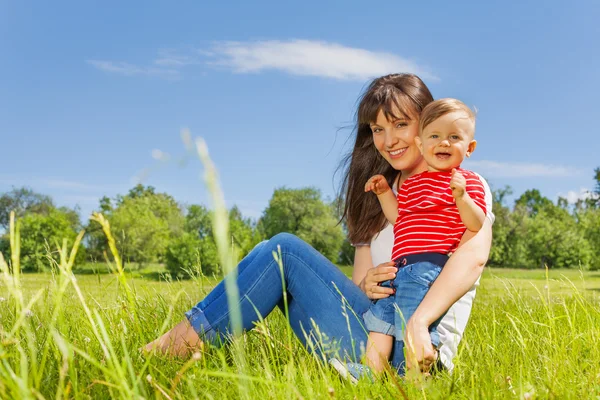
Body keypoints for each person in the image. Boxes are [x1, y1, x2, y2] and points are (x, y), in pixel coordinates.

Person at [143, 73, 494, 377]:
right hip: (373, 335)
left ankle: (173, 346)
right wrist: (367, 284)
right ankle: (184, 345)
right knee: (270, 259)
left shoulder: (460, 186)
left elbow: (472, 260)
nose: (389, 141)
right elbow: (359, 287)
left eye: (401, 124)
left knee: (283, 251)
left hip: (416, 349)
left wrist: (418, 322)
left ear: (427, 123)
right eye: (378, 129)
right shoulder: (381, 194)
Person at [333, 98, 487, 380]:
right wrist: (383, 194)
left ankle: (417, 377)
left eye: (454, 137)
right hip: (401, 267)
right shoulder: (414, 184)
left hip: (427, 267)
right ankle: (371, 373)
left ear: (470, 147)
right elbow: (400, 218)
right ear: (421, 143)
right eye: (435, 137)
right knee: (381, 322)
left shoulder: (467, 181)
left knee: (409, 321)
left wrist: (462, 197)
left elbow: (475, 224)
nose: (444, 143)